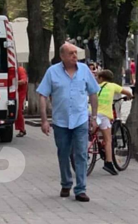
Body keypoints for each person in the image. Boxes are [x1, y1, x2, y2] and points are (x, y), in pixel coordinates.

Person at [37, 43, 100, 202]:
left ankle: (80, 189)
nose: (74, 56)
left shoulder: (84, 70)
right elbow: (42, 95)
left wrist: (94, 117)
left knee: (81, 153)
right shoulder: (52, 72)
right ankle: (66, 183)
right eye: (71, 53)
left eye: (75, 53)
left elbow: (93, 93)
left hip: (80, 120)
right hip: (61, 121)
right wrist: (44, 120)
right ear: (62, 56)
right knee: (63, 154)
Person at [95, 70, 133, 175]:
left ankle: (93, 145)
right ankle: (108, 163)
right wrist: (130, 97)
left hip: (91, 112)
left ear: (102, 78)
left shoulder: (96, 86)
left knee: (92, 133)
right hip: (103, 114)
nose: (97, 79)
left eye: (98, 77)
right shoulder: (113, 86)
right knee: (108, 140)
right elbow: (127, 92)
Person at [15, 66, 28, 137]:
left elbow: (24, 81)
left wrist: (14, 83)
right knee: (17, 111)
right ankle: (21, 129)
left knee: (18, 110)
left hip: (20, 93)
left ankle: (22, 129)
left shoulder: (20, 70)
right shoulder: (18, 69)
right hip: (17, 92)